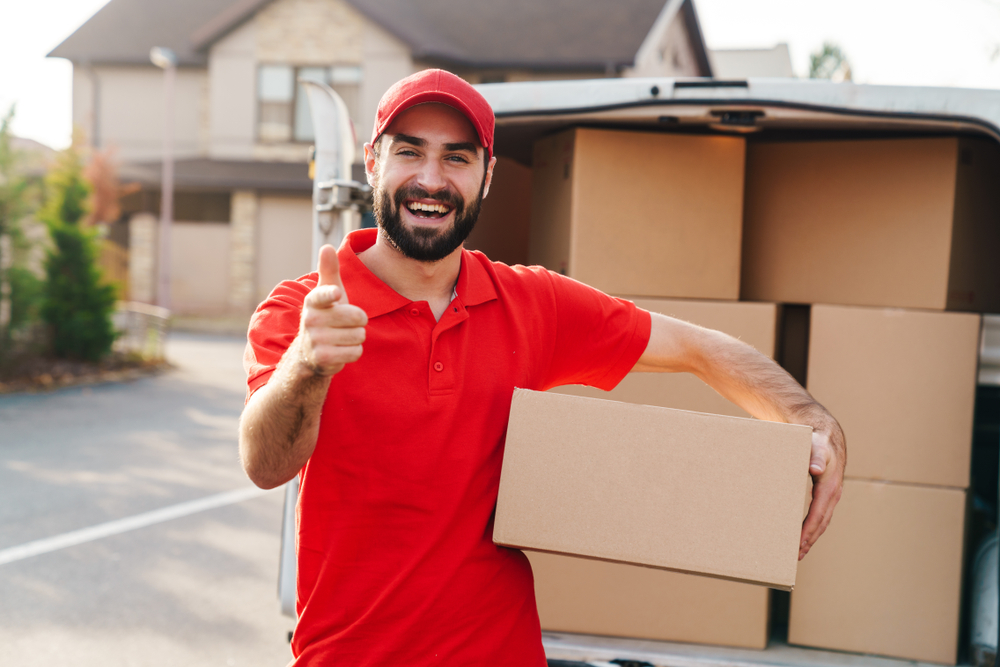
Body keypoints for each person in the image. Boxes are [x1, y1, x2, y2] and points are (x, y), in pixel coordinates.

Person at [240, 69, 845, 666]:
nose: (431, 179)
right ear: (372, 162)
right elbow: (266, 465)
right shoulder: (301, 312)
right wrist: (308, 366)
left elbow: (698, 348)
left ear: (487, 175)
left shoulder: (529, 303)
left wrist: (808, 418)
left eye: (457, 157)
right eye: (409, 152)